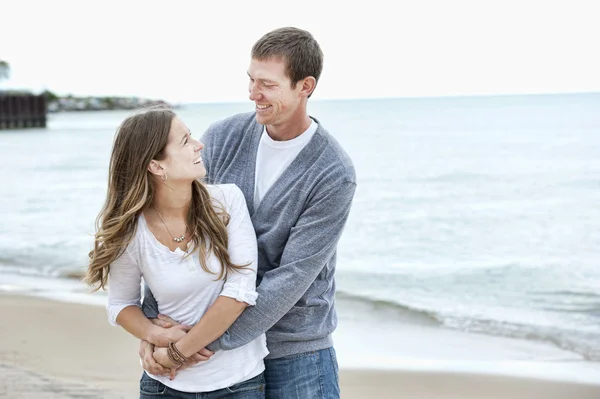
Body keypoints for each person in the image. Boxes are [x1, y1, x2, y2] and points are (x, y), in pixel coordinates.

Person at [141, 27, 357, 399]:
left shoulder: (333, 173)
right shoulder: (224, 137)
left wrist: (196, 342)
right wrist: (152, 328)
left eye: (268, 85)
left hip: (293, 349)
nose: (253, 93)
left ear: (305, 86)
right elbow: (174, 229)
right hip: (207, 338)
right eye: (251, 80)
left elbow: (292, 276)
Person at [85, 107, 269, 398]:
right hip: (163, 386)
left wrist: (176, 352)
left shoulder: (227, 201)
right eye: (185, 141)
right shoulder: (132, 231)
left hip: (237, 382)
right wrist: (156, 334)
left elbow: (240, 292)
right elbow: (121, 304)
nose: (200, 144)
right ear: (157, 166)